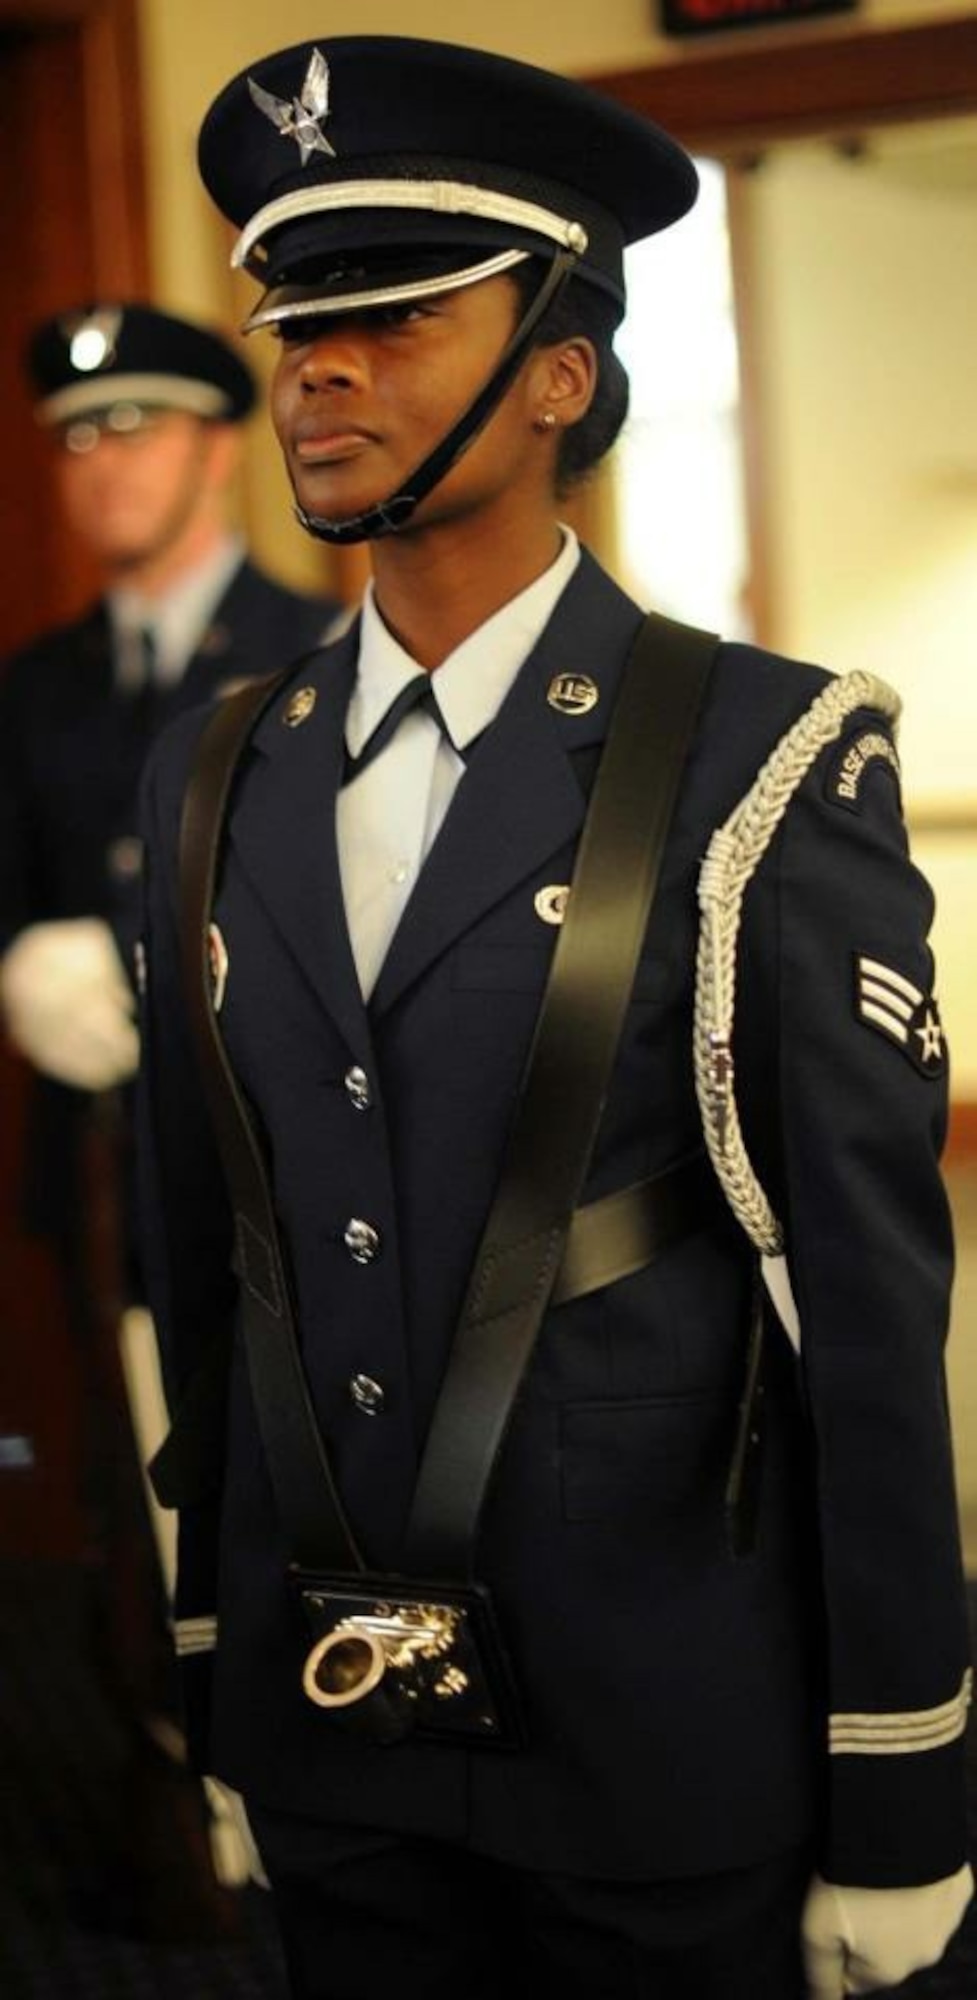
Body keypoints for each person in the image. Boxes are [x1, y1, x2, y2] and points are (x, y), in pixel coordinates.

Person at [135, 35, 973, 1998]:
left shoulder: (759, 754)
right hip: (332, 1717)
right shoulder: (213, 768)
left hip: (657, 1742)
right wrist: (217, 1664)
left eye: (396, 319)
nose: (319, 368)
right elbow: (205, 1257)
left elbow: (860, 1307)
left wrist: (904, 1782)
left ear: (558, 376)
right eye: (297, 325)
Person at [0, 300, 337, 1935]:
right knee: (120, 1507)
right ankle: (154, 1816)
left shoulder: (319, 647)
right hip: (95, 1174)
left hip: (271, 1177)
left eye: (135, 426)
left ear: (217, 445)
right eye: (76, 437)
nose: (101, 463)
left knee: (285, 1482)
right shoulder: (39, 687)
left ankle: (296, 1801)